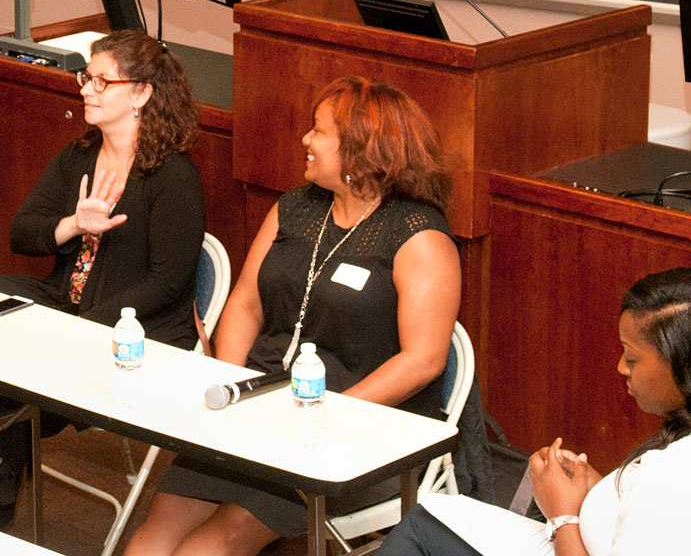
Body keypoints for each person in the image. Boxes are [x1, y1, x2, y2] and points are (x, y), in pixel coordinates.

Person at [126, 75, 461, 556]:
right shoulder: (295, 209)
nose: (305, 140)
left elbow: (424, 360)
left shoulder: (416, 235)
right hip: (261, 406)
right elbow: (244, 301)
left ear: (362, 148)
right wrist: (234, 384)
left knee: (214, 544)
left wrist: (327, 415)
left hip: (355, 427)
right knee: (155, 536)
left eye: (319, 131)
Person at [0, 29, 206, 528]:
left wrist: (80, 326)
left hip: (139, 327)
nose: (85, 88)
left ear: (141, 94)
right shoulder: (81, 155)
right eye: (87, 77)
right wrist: (73, 225)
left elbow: (167, 283)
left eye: (101, 81)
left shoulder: (173, 176)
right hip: (68, 304)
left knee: (27, 364)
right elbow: (23, 232)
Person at [379, 267, 691, 556]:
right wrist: (599, 487)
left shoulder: (677, 475)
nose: (621, 368)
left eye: (632, 358)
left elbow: (670, 502)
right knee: (435, 517)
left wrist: (562, 515)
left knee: (422, 529)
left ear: (685, 367)